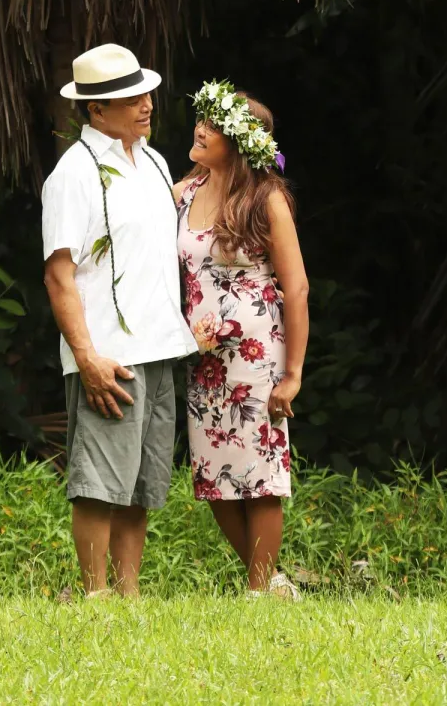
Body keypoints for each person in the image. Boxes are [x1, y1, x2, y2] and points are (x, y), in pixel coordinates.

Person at [41, 43, 197, 598]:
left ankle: (128, 597)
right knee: (99, 483)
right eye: (128, 98)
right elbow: (59, 275)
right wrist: (86, 357)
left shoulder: (152, 161)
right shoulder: (74, 174)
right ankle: (95, 595)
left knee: (142, 483)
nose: (145, 104)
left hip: (159, 346)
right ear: (96, 109)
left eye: (145, 92)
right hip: (107, 352)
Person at [175, 81, 309, 596]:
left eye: (213, 125)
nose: (199, 129)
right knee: (213, 479)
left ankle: (257, 594)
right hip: (203, 357)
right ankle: (271, 581)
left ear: (238, 142)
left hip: (259, 356)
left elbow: (295, 286)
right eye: (200, 120)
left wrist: (293, 373)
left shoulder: (265, 198)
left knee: (261, 474)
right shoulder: (183, 193)